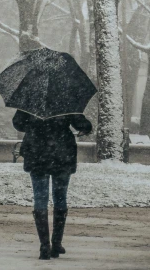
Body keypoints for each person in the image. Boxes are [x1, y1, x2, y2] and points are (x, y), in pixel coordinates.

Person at [12, 109, 92, 260]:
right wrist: (85, 127)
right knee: (60, 197)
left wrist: (35, 125)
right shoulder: (66, 101)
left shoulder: (31, 99)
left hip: (36, 153)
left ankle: (44, 245)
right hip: (61, 154)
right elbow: (80, 123)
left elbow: (18, 123)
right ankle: (56, 243)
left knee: (40, 198)